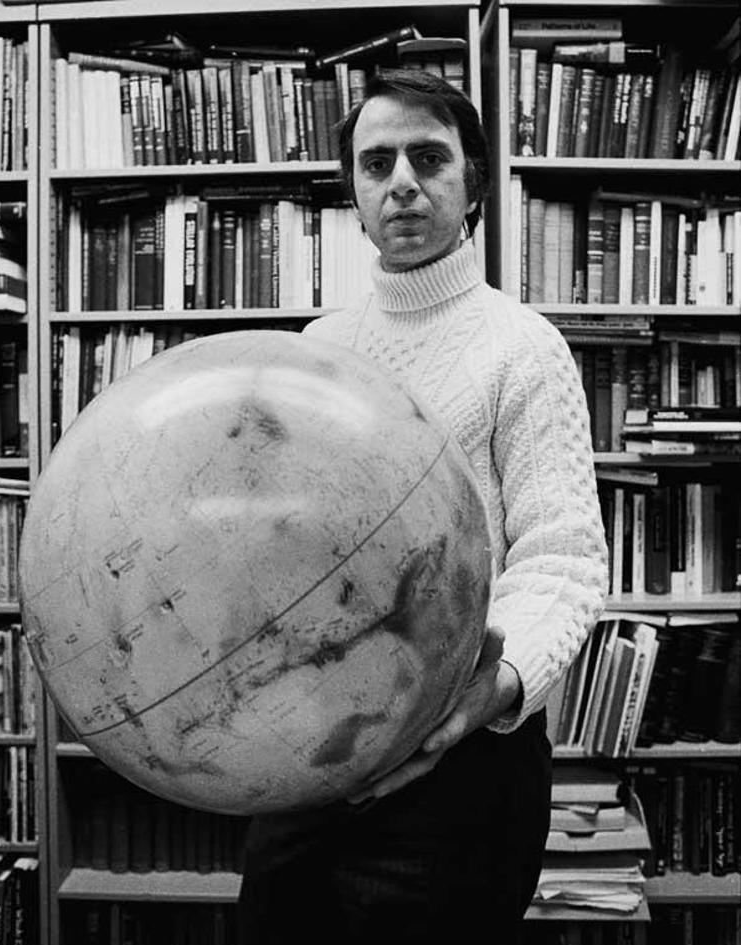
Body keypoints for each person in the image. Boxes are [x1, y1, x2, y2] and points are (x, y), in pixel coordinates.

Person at [237, 69, 608, 945]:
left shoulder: (524, 348)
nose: (401, 181)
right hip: (315, 754)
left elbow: (564, 560)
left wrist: (487, 695)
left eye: (428, 158)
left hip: (463, 764)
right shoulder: (318, 349)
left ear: (472, 185)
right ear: (355, 197)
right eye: (377, 164)